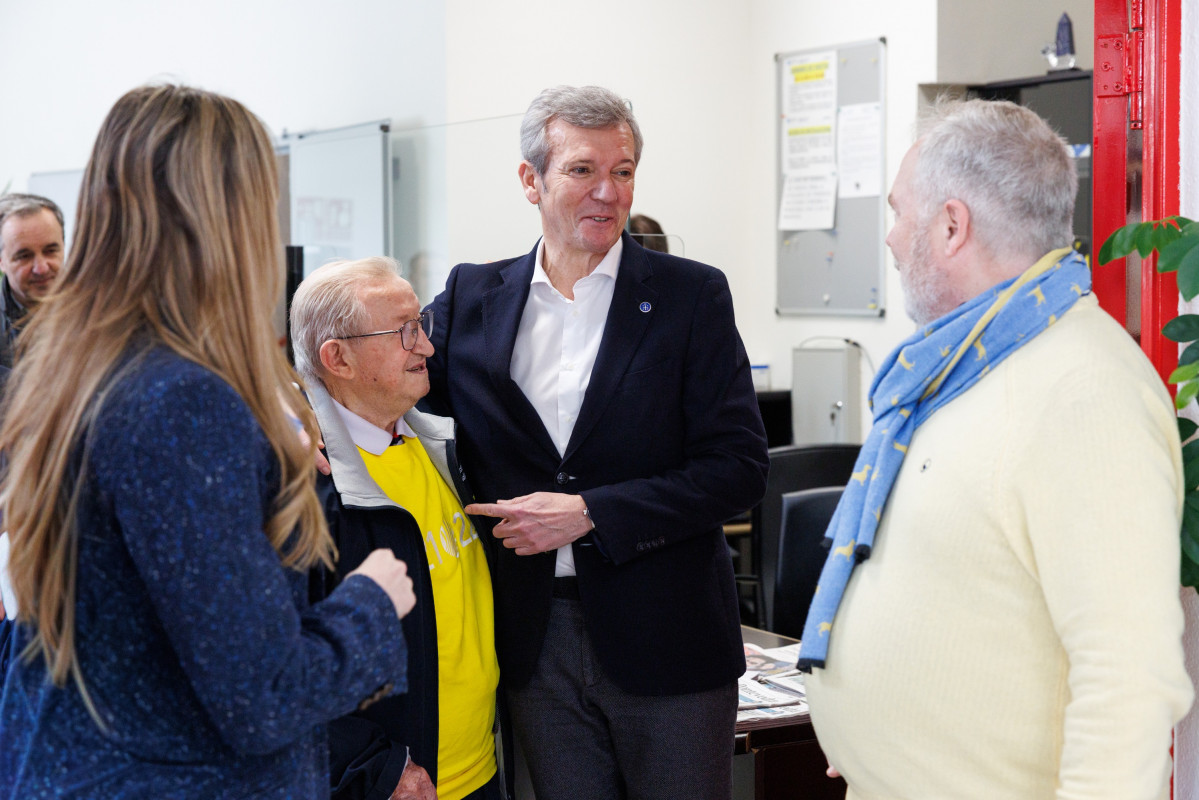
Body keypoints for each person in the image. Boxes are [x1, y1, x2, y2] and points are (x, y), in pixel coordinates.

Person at [0, 84, 416, 799]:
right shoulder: (181, 399)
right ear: (226, 217)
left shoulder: (75, 372)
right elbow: (263, 697)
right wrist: (371, 601)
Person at [799, 98, 1194, 798]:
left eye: (899, 214)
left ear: (951, 226)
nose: (890, 240)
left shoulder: (1082, 391)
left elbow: (1127, 677)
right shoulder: (964, 365)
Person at [424, 84, 769, 800]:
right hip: (529, 639)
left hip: (668, 639)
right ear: (531, 180)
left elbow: (736, 470)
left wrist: (592, 515)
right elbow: (378, 381)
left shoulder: (690, 297)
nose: (607, 192)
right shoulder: (470, 298)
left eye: (623, 170)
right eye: (582, 169)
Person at [291, 257, 504, 800]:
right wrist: (374, 767)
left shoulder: (444, 443)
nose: (427, 347)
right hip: (397, 786)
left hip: (482, 766)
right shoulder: (303, 486)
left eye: (422, 325)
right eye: (403, 332)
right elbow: (276, 662)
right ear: (336, 358)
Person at [0, 193, 65, 366]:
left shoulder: (100, 314)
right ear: (1, 262)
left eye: (50, 251)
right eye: (24, 256)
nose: (41, 268)